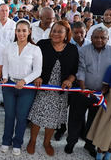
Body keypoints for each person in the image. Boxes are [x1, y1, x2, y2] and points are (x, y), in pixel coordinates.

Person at [64, 27, 111, 157]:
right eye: (96, 37)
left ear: (108, 39)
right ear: (91, 38)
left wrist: (108, 87)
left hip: (102, 95)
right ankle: (71, 142)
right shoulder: (83, 50)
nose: (99, 40)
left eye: (102, 37)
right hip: (82, 91)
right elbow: (81, 69)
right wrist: (83, 86)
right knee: (75, 118)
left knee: (94, 121)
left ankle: (89, 144)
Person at [27, 20, 79, 156]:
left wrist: (69, 80)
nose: (56, 34)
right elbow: (32, 64)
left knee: (53, 119)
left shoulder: (72, 49)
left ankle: (46, 142)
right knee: (37, 116)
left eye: (60, 31)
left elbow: (75, 71)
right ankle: (32, 141)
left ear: (67, 33)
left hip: (60, 91)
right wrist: (36, 77)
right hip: (42, 88)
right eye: (54, 31)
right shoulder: (42, 45)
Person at [1, 19, 42, 156]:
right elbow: (5, 64)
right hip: (10, 85)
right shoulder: (9, 47)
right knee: (9, 115)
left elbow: (37, 71)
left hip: (27, 88)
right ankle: (6, 141)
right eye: (18, 30)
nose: (21, 33)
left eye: (24, 30)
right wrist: (5, 77)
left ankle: (17, 142)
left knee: (21, 116)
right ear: (15, 32)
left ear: (29, 32)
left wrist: (25, 81)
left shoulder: (35, 49)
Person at [86, 61, 111, 160]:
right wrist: (99, 93)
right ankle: (99, 154)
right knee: (105, 128)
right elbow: (105, 86)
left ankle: (109, 155)